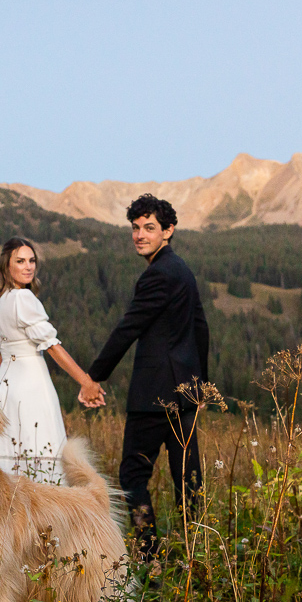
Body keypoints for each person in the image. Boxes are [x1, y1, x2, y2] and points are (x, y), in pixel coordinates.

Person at [84, 194, 210, 560]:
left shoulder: (157, 275)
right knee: (188, 481)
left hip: (155, 396)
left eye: (149, 228)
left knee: (133, 477)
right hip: (185, 393)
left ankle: (148, 557)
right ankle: (196, 557)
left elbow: (129, 328)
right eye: (135, 228)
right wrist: (199, 388)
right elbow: (200, 329)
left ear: (168, 230)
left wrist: (95, 375)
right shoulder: (182, 270)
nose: (140, 235)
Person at [0, 237, 106, 483]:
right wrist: (86, 382)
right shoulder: (23, 298)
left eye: (32, 261)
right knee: (43, 449)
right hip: (32, 385)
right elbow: (52, 346)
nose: (28, 266)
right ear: (6, 266)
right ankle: (48, 512)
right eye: (20, 261)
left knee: (11, 454)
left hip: (7, 390)